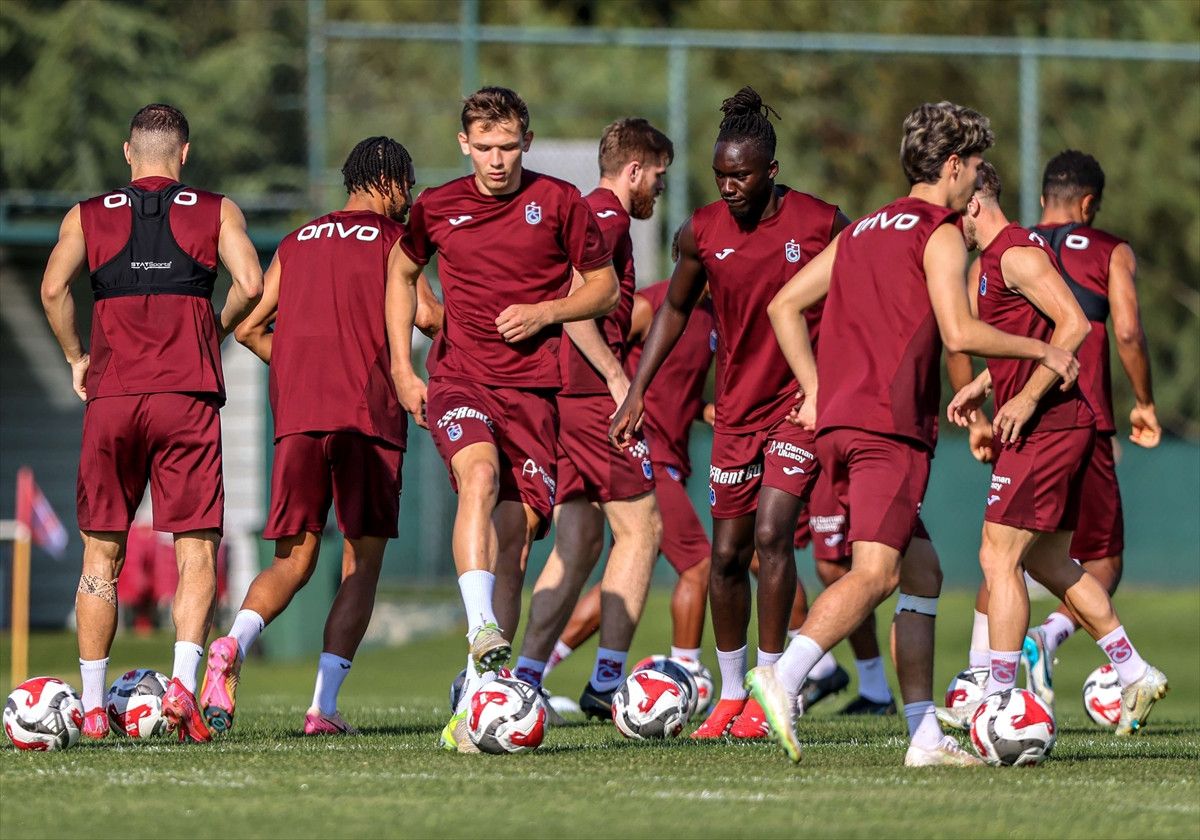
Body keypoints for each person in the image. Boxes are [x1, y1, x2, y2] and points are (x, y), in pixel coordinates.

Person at [747, 101, 1079, 767]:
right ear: (954, 165)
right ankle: (782, 676)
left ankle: (925, 737)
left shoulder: (864, 227)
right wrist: (1041, 349)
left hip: (841, 426)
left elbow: (784, 304)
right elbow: (959, 332)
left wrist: (816, 390)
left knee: (922, 573)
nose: (978, 178)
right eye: (976, 165)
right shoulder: (939, 230)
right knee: (876, 574)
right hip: (887, 429)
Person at [611, 87, 849, 740]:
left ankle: (771, 686)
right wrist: (636, 391)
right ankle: (730, 692)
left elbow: (863, 292)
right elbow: (675, 309)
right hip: (736, 413)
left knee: (773, 535)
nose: (729, 186)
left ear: (771, 169)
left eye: (740, 175)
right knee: (725, 555)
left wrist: (832, 381)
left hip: (796, 408)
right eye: (720, 175)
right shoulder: (702, 231)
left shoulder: (820, 222)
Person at [390, 87, 618, 752]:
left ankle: (478, 696)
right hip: (460, 379)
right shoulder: (437, 206)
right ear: (464, 144)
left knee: (514, 548)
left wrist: (546, 312)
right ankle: (480, 626)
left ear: (527, 142)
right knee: (479, 478)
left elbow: (602, 288)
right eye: (485, 147)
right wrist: (403, 369)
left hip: (534, 395)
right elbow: (400, 273)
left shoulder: (561, 203)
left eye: (509, 147)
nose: (497, 160)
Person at [198, 137, 441, 736]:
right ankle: (323, 708)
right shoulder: (394, 240)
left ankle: (232, 644)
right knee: (361, 565)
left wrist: (302, 366)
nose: (410, 197)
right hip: (367, 420)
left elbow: (249, 328)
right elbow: (429, 317)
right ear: (385, 179)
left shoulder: (297, 240)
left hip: (298, 420)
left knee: (293, 559)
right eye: (406, 183)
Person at [39, 103, 263, 742]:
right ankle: (183, 688)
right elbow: (251, 282)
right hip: (186, 398)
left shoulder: (86, 215)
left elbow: (53, 290)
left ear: (127, 152)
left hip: (113, 396)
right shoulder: (216, 210)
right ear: (184, 154)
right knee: (195, 547)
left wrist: (75, 357)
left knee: (100, 553)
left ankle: (90, 706)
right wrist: (214, 327)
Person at [938, 163, 1167, 734]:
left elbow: (1074, 328)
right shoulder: (998, 260)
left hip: (1048, 426)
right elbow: (1033, 339)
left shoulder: (1015, 254)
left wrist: (1025, 398)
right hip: (1053, 424)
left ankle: (996, 697)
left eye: (954, 211)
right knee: (1048, 561)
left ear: (974, 203)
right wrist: (986, 383)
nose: (951, 225)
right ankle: (1135, 672)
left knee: (998, 557)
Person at [510, 119, 673, 719]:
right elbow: (575, 303)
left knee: (578, 542)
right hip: (587, 394)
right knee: (643, 528)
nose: (659, 188)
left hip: (562, 394)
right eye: (657, 176)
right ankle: (607, 681)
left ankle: (523, 680)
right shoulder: (608, 217)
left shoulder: (585, 212)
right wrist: (615, 377)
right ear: (633, 170)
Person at [544, 237, 716, 686]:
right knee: (699, 565)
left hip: (673, 456)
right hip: (645, 452)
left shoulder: (713, 317)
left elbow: (675, 388)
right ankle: (687, 673)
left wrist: (705, 411)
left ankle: (538, 670)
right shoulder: (652, 306)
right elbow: (604, 357)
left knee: (622, 577)